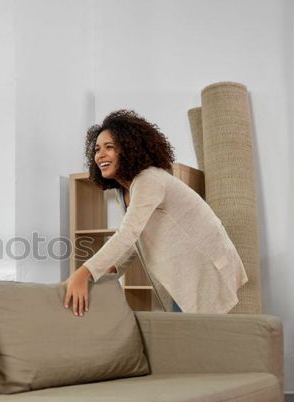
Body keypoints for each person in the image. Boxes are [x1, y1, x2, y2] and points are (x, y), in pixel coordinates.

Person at [63, 110, 247, 317]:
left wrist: (84, 272)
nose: (100, 155)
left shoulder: (149, 179)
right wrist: (110, 268)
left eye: (109, 147)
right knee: (189, 337)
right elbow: (136, 240)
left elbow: (128, 233)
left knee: (196, 338)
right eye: (97, 149)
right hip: (184, 273)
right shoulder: (124, 190)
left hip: (203, 267)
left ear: (129, 149)